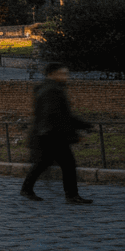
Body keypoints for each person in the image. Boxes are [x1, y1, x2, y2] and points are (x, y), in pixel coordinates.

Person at [21, 63, 93, 204]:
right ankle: (71, 196)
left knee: (43, 163)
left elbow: (61, 115)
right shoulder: (52, 91)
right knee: (67, 164)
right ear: (53, 74)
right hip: (52, 136)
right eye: (63, 73)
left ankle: (27, 189)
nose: (66, 77)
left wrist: (82, 125)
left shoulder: (47, 88)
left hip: (46, 134)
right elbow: (57, 116)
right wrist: (77, 130)